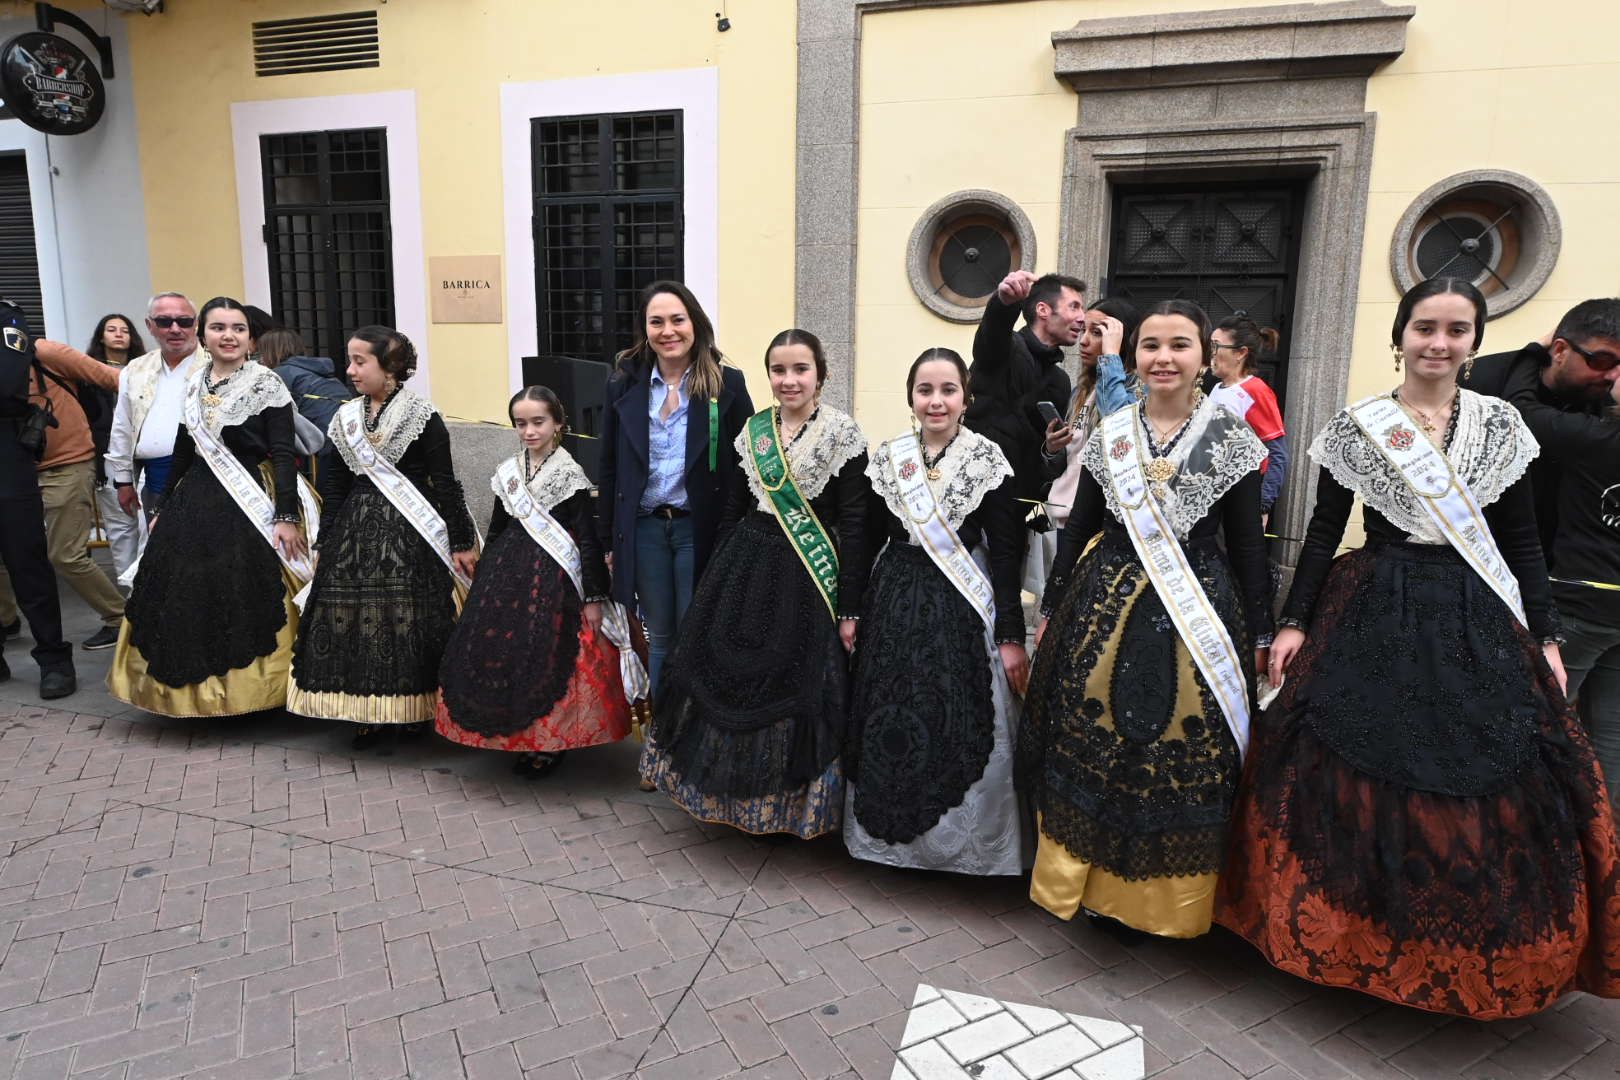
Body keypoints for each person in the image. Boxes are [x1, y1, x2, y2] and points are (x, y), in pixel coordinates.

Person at [1217, 278, 1620, 1018]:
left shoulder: (1501, 425)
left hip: (1476, 612)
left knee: (1484, 775)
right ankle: (1351, 939)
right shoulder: (1360, 425)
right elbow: (1322, 529)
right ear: (1400, 334)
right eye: (1425, 327)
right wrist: (1297, 621)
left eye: (1457, 329)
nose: (1439, 342)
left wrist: (1546, 633)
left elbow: (1524, 540)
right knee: (1346, 766)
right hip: (1374, 599)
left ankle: (1444, 956)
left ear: (1475, 340)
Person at [1019, 300, 1271, 938]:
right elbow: (1080, 526)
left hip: (1198, 609)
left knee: (1177, 746)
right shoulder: (1113, 431)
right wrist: (1050, 608)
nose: (1164, 357)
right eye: (1151, 345)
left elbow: (1246, 545)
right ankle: (1085, 885)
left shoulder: (1232, 439)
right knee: (1093, 735)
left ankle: (1162, 903)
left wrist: (1261, 630)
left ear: (1203, 358)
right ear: (1134, 355)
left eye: (1180, 345)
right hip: (1105, 598)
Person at [643, 329, 869, 837]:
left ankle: (790, 807)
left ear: (821, 375)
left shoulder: (843, 434)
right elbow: (734, 509)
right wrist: (714, 580)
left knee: (798, 681)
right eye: (779, 370)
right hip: (745, 567)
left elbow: (855, 524)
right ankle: (732, 800)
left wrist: (851, 603)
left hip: (808, 577)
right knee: (727, 674)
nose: (789, 381)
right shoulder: (753, 432)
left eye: (800, 370)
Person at [843, 347, 1029, 873]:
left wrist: (1010, 633)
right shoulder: (889, 458)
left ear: (965, 397)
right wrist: (850, 608)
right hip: (895, 599)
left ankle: (962, 852)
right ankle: (888, 847)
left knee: (958, 710)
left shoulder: (988, 459)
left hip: (961, 606)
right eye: (925, 390)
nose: (936, 401)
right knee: (891, 712)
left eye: (948, 390)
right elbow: (864, 539)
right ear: (910, 397)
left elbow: (1006, 549)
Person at [107, 297, 314, 717]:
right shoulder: (194, 382)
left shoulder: (266, 384)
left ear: (251, 339)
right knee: (182, 584)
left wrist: (287, 516)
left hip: (254, 494)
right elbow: (185, 449)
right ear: (204, 336)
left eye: (238, 328)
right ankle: (186, 695)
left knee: (242, 583)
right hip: (196, 497)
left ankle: (259, 694)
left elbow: (280, 453)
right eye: (218, 328)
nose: (229, 336)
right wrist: (164, 503)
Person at [287, 326, 477, 748]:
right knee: (354, 621)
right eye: (350, 360)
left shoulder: (421, 415)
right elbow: (334, 485)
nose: (350, 370)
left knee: (408, 620)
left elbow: (445, 481)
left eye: (360, 361)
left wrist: (462, 540)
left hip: (411, 534)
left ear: (389, 368)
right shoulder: (346, 417)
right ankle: (366, 709)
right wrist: (325, 541)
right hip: (355, 533)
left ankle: (413, 708)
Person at [436, 386, 639, 776]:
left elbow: (587, 538)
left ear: (558, 424)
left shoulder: (569, 475)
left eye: (537, 422)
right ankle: (514, 737)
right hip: (507, 575)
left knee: (547, 658)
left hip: (556, 580)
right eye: (520, 423)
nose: (528, 431)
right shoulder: (507, 472)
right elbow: (496, 529)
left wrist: (594, 595)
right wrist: (483, 581)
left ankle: (548, 743)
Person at [598, 281, 753, 693]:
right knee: (661, 636)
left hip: (698, 530)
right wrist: (609, 540)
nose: (668, 331)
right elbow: (609, 465)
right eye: (657, 322)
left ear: (695, 324)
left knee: (697, 630)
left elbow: (746, 466)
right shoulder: (623, 384)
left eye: (677, 320)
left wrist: (735, 534)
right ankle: (663, 738)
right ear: (645, 329)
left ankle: (696, 732)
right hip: (646, 528)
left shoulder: (727, 384)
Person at [1497, 308, 1620, 803]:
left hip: (1580, 604)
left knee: (1541, 721)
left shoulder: (1597, 440)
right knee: (1610, 735)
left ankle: (1528, 832)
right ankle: (1604, 848)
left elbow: (1519, 411)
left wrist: (1535, 349)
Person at [0, 299, 115, 699]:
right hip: (22, 468)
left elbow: (111, 380)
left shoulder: (40, 350)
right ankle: (7, 625)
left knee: (58, 556)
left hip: (62, 463)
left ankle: (116, 619)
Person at [966, 270, 1086, 594]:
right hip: (977, 507)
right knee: (973, 591)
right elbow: (990, 338)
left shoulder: (1061, 381)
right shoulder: (1007, 348)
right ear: (1044, 310)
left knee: (1017, 590)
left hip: (1026, 505)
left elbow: (1046, 462)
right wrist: (1003, 303)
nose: (1082, 319)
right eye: (1074, 307)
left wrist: (1051, 449)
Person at [1040, 298, 1139, 543]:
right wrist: (1053, 449)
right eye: (1083, 330)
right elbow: (1069, 462)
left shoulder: (1137, 388)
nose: (1083, 340)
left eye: (1097, 333)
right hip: (1060, 513)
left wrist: (1110, 357)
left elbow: (1119, 426)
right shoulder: (1080, 391)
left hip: (1098, 522)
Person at [106, 293, 208, 523]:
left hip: (205, 478)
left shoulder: (215, 366)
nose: (175, 329)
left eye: (184, 321)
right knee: (157, 551)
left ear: (196, 324)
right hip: (154, 480)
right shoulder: (136, 369)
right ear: (149, 326)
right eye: (164, 322)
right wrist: (123, 480)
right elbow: (123, 425)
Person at [1208, 315, 1289, 522]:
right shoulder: (1216, 388)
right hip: (1213, 494)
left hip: (1243, 498)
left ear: (1240, 353)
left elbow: (1277, 452)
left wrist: (1262, 504)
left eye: (1216, 347)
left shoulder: (1255, 390)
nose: (1211, 353)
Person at [85, 314, 146, 583]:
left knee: (151, 524)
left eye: (124, 330)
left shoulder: (147, 370)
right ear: (101, 336)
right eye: (111, 330)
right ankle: (131, 598)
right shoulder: (87, 375)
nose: (118, 334)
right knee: (121, 528)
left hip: (146, 455)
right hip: (110, 456)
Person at [257, 328, 349, 481]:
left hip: (320, 446)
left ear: (270, 352)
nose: (259, 359)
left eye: (261, 353)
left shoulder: (280, 374)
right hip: (345, 437)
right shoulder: (315, 370)